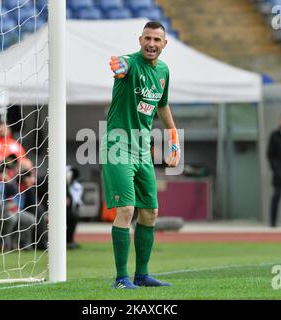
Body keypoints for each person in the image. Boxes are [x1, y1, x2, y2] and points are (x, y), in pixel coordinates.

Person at [100, 21, 181, 289]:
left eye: (157, 40)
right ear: (140, 40)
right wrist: (118, 67)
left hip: (142, 150)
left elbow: (162, 105)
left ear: (164, 44)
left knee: (151, 213)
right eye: (147, 38)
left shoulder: (164, 71)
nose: (152, 43)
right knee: (126, 209)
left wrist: (173, 137)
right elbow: (120, 65)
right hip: (118, 146)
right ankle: (121, 278)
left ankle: (142, 275)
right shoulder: (130, 63)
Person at [66, 166, 83, 249]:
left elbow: (77, 201)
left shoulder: (77, 187)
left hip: (69, 209)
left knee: (73, 217)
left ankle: (69, 240)